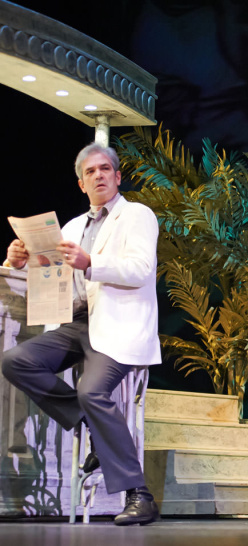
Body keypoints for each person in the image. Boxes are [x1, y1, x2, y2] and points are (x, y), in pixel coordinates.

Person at [2, 143, 161, 526]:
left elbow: (140, 269)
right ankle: (92, 426)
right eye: (91, 172)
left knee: (91, 391)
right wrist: (17, 262)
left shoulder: (137, 215)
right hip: (76, 326)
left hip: (119, 326)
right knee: (15, 361)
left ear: (117, 176)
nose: (99, 175)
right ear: (81, 183)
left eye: (105, 169)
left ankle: (140, 495)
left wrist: (91, 262)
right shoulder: (72, 228)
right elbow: (52, 284)